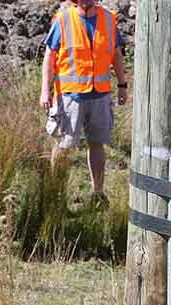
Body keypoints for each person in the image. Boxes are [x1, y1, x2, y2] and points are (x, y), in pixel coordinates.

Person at [39, 0, 128, 205]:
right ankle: (56, 195)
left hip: (100, 95)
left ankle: (97, 193)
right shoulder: (63, 19)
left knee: (97, 145)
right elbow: (49, 57)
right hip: (70, 97)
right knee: (63, 145)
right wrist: (45, 90)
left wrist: (122, 84)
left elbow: (116, 54)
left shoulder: (108, 19)